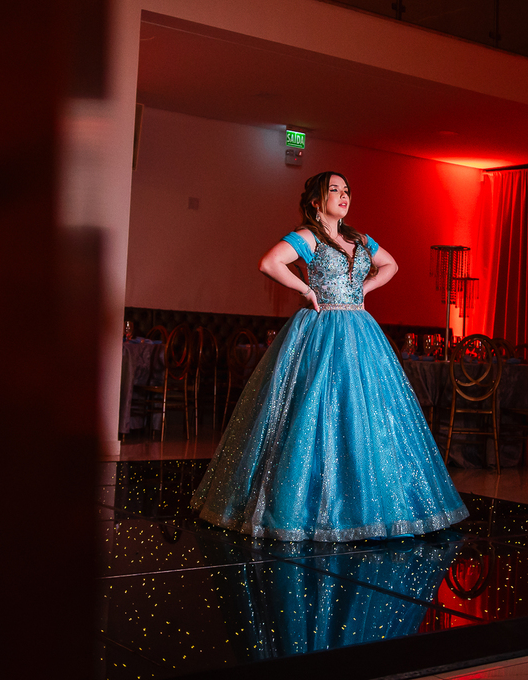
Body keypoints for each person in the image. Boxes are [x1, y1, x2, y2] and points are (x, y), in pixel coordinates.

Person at [191, 171, 468, 541]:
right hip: (322, 330)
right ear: (316, 201)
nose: (343, 195)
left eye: (346, 190)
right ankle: (307, 506)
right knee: (315, 410)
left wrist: (365, 288)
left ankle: (366, 505)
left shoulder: (358, 238)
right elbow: (269, 263)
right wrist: (306, 290)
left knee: (366, 413)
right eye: (334, 190)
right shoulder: (309, 236)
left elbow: (391, 265)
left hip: (360, 329)